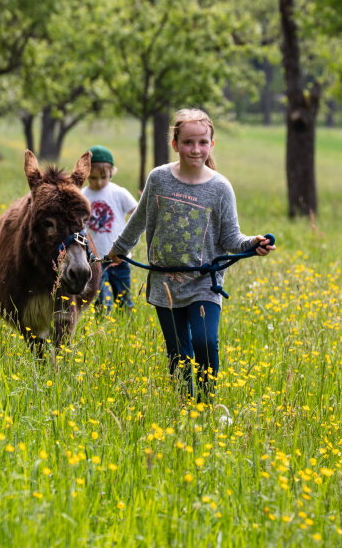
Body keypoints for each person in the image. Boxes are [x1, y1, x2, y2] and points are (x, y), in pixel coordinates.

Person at [105, 108, 274, 400]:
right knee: (178, 354)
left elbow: (231, 237)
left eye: (202, 142)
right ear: (175, 144)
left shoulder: (220, 188)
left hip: (203, 284)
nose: (195, 149)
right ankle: (185, 406)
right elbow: (140, 221)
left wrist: (252, 244)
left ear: (211, 144)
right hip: (164, 283)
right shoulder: (159, 179)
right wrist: (118, 251)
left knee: (206, 341)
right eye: (188, 142)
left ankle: (205, 404)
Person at [82, 144, 139, 313]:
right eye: (93, 178)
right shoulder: (83, 195)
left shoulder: (118, 193)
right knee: (101, 300)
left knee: (124, 297)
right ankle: (102, 325)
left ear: (112, 173)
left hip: (119, 258)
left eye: (104, 177)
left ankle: (127, 322)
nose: (98, 182)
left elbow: (137, 214)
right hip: (95, 259)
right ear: (85, 175)